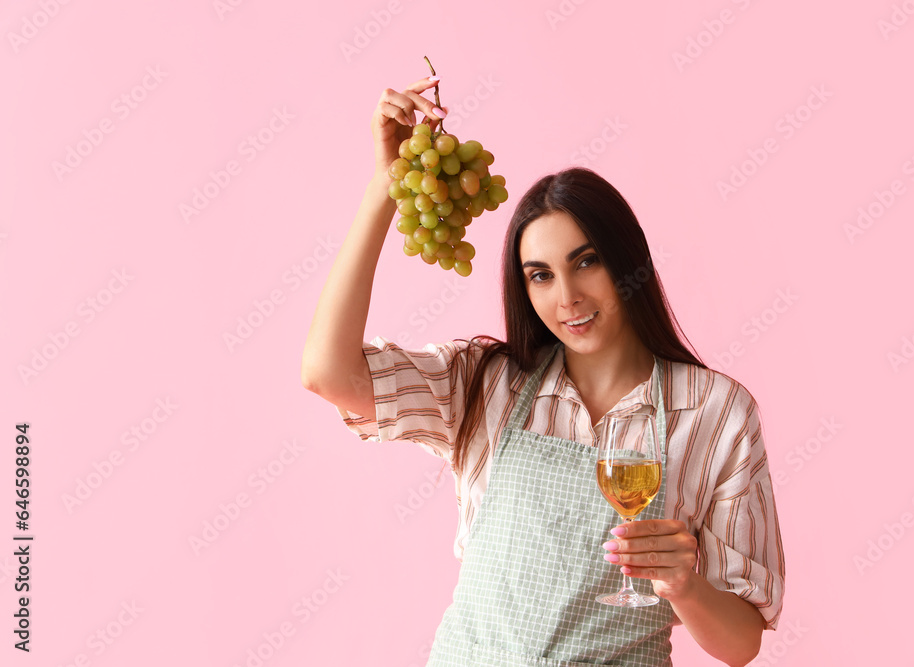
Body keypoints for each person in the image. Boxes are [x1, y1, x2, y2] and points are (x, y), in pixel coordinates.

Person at [301, 76, 785, 667]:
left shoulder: (716, 413)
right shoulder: (485, 384)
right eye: (541, 275)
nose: (568, 298)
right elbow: (328, 372)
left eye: (587, 262)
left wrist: (686, 586)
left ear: (627, 261)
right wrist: (387, 186)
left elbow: (740, 645)